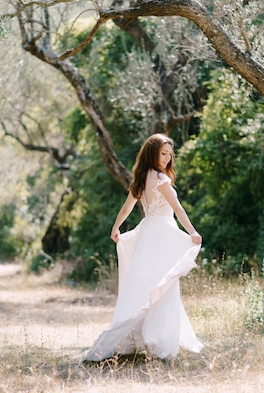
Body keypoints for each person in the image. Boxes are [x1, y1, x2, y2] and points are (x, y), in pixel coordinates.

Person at [84, 133, 204, 361]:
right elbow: (178, 208)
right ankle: (159, 342)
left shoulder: (141, 178)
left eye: (170, 154)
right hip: (161, 233)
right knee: (162, 285)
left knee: (149, 285)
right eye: (163, 153)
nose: (168, 158)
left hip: (148, 232)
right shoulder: (160, 179)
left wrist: (116, 227)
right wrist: (192, 231)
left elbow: (127, 207)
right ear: (152, 153)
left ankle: (150, 337)